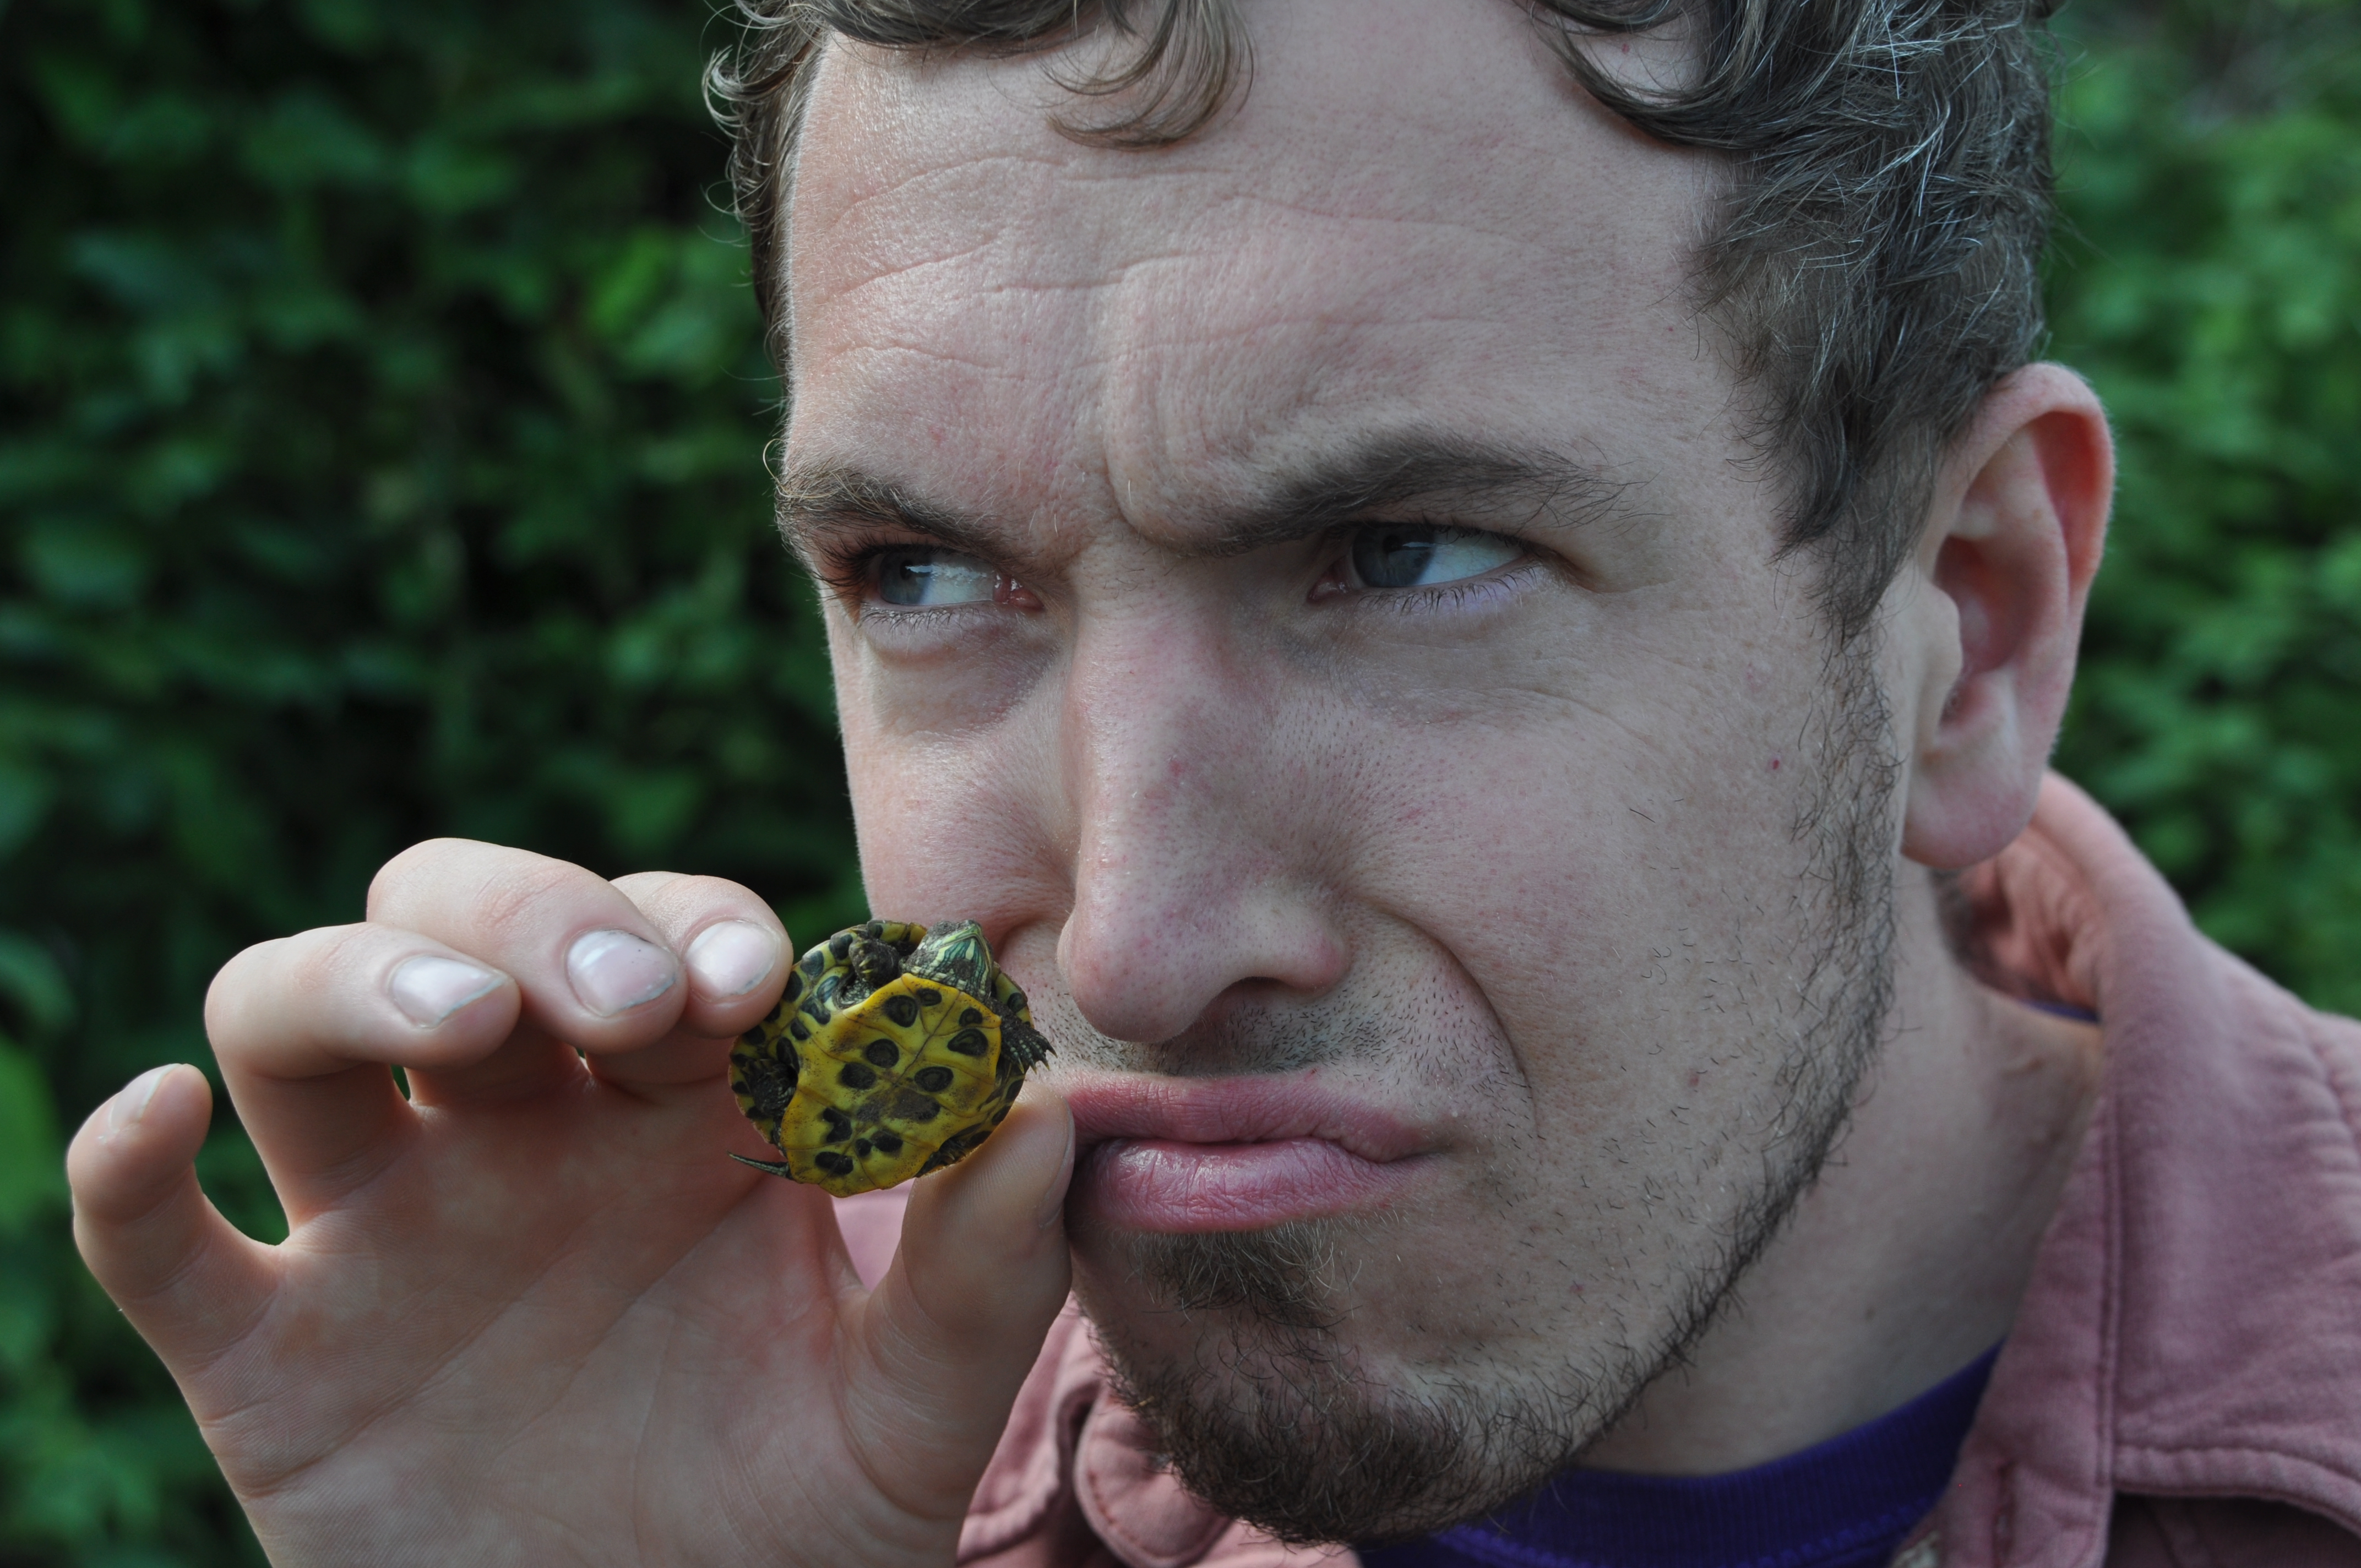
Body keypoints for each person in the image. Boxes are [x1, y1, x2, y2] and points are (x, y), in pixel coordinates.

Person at [62, 0, 2361, 1562]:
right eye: (926, 575)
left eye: (1404, 554)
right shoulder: (733, 1427)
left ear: (1969, 619)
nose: (1136, 946)